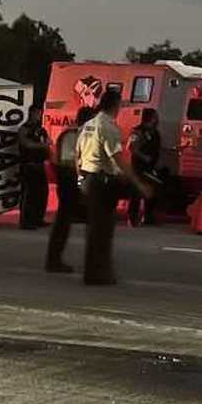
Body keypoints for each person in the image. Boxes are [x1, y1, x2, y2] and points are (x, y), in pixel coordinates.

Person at [75, 90, 152, 285]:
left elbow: (78, 154)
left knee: (94, 229)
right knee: (103, 229)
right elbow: (117, 158)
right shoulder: (107, 126)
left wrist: (80, 179)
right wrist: (138, 183)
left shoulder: (89, 125)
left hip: (89, 178)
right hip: (103, 182)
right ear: (115, 104)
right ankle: (99, 274)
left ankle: (92, 272)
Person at [46, 106, 96, 273]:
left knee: (69, 221)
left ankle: (57, 259)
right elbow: (69, 163)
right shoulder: (73, 135)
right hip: (71, 183)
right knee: (64, 222)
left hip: (74, 183)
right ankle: (54, 260)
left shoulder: (78, 134)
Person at [17, 105, 51, 230]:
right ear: (31, 113)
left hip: (40, 164)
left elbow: (48, 141)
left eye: (39, 114)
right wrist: (41, 145)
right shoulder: (24, 129)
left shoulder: (40, 129)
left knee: (42, 193)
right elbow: (26, 144)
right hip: (29, 165)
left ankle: (38, 218)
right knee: (29, 194)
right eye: (36, 113)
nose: (38, 116)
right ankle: (26, 221)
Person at [127, 109, 162, 227]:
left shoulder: (155, 133)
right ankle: (132, 218)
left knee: (152, 190)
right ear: (150, 118)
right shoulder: (137, 131)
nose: (157, 119)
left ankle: (148, 216)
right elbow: (131, 147)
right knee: (136, 193)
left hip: (150, 168)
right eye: (155, 117)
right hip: (138, 167)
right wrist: (144, 157)